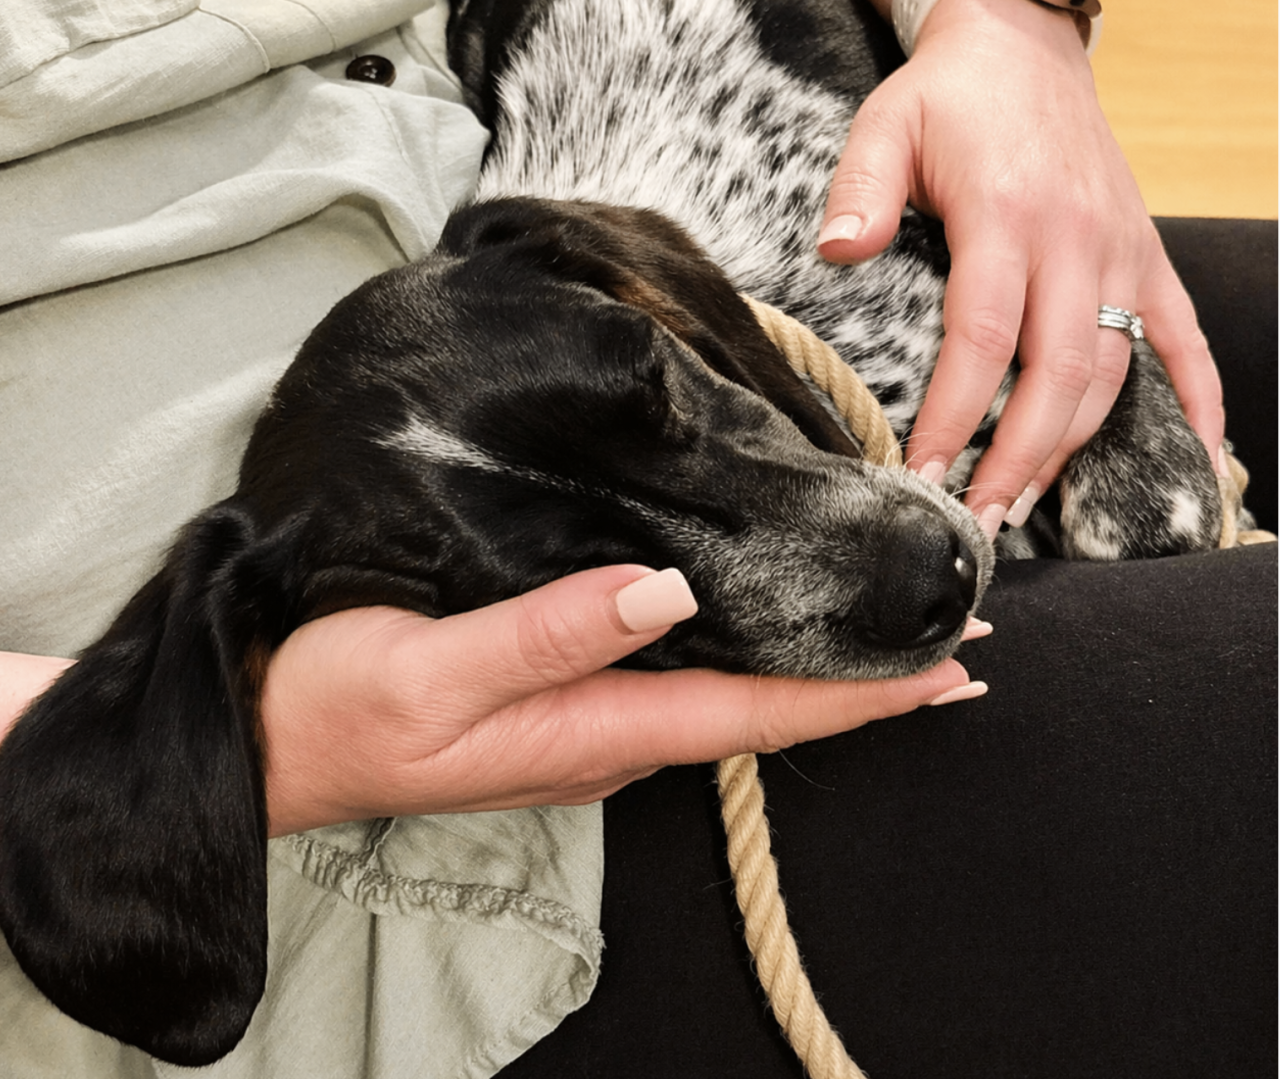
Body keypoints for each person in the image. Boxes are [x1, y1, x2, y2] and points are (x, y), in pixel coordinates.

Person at [0, 0, 1272, 1076]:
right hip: (359, 809)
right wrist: (275, 751)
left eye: (663, 394)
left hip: (531, 194)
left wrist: (1005, 29)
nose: (890, 556)